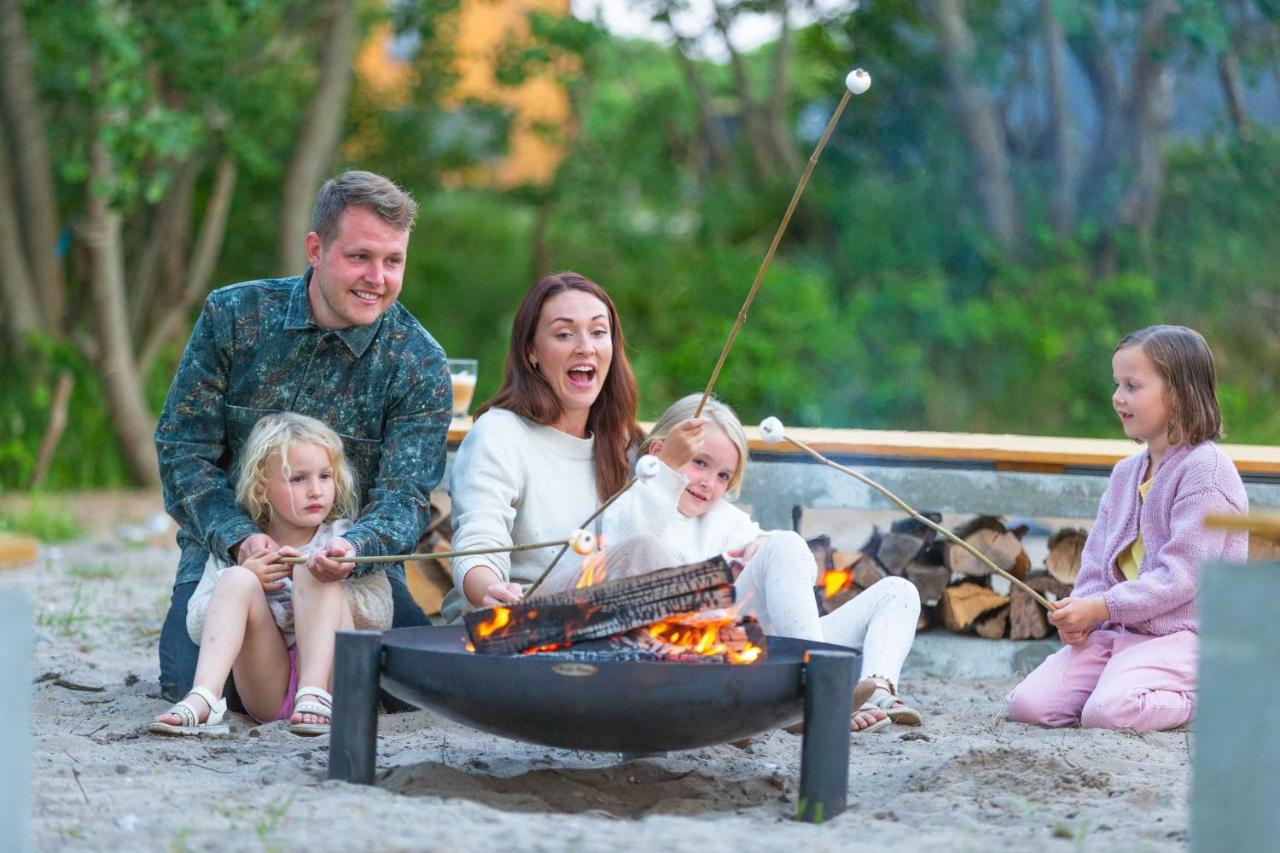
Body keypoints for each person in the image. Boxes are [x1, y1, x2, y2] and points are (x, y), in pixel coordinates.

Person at [155, 170, 451, 704]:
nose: (377, 277)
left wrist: (353, 548)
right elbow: (182, 452)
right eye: (360, 257)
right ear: (316, 248)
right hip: (231, 563)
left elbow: (406, 499)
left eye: (393, 261)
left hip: (350, 572)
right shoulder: (234, 317)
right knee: (189, 681)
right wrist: (239, 536)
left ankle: (315, 682)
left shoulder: (419, 361)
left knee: (413, 689)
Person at [595, 394, 923, 732]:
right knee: (781, 546)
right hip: (693, 656)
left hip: (766, 652)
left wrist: (759, 547)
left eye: (724, 475)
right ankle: (819, 689)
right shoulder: (631, 507)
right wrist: (662, 479)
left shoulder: (722, 518)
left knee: (898, 591)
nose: (710, 483)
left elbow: (798, 565)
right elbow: (630, 558)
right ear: (659, 454)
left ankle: (876, 690)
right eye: (700, 463)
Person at [1006, 325, 1248, 731]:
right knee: (1029, 705)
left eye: (1132, 385)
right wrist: (1082, 615)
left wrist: (1103, 607)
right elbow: (1097, 563)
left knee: (1107, 712)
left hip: (1188, 638)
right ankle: (1122, 677)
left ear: (1179, 393)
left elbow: (1181, 577)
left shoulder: (1206, 473)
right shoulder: (1125, 474)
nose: (1117, 397)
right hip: (1120, 630)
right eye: (1117, 383)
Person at [149, 413, 392, 735]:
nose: (316, 491)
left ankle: (313, 692)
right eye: (298, 479)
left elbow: (381, 615)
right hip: (268, 689)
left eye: (325, 476)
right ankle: (204, 697)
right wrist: (248, 580)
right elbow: (196, 626)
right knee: (235, 580)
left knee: (314, 569)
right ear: (262, 489)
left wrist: (330, 579)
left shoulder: (345, 540)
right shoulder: (242, 548)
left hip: (337, 684)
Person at [444, 272, 643, 622]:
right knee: (643, 551)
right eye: (564, 334)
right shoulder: (500, 432)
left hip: (606, 626)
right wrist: (489, 590)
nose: (586, 347)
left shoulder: (625, 443)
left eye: (598, 332)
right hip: (516, 621)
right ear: (532, 351)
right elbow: (478, 539)